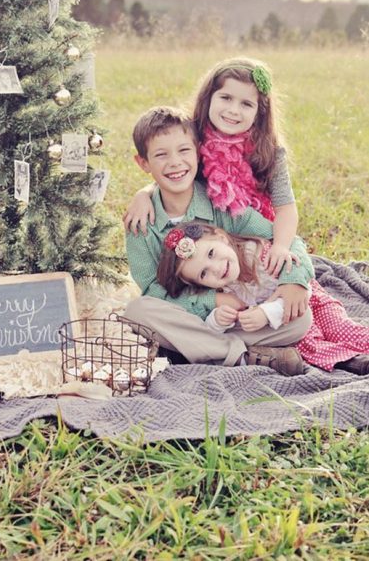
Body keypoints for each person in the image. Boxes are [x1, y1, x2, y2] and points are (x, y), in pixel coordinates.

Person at [123, 105, 313, 375]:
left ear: (198, 150)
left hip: (241, 315)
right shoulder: (141, 223)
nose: (175, 163)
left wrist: (296, 279)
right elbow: (153, 291)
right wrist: (212, 301)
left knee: (300, 318)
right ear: (143, 163)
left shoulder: (221, 202)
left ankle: (195, 350)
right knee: (138, 312)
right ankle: (243, 357)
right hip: (190, 315)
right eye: (161, 155)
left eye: (184, 151)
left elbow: (283, 238)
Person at [124, 56, 297, 278]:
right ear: (209, 99)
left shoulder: (269, 151)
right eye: (226, 97)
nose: (234, 110)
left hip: (258, 233)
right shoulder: (195, 137)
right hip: (210, 246)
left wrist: (281, 246)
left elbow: (286, 207)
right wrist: (144, 193)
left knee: (289, 284)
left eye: (246, 104)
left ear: (259, 112)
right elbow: (174, 173)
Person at [157, 221, 369, 375]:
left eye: (212, 253)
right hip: (286, 323)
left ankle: (357, 347)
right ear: (201, 285)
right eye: (204, 273)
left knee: (340, 327)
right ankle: (351, 361)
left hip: (308, 302)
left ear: (222, 238)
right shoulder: (224, 289)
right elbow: (214, 326)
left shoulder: (259, 255)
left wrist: (266, 313)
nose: (217, 268)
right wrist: (217, 319)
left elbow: (296, 291)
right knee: (306, 344)